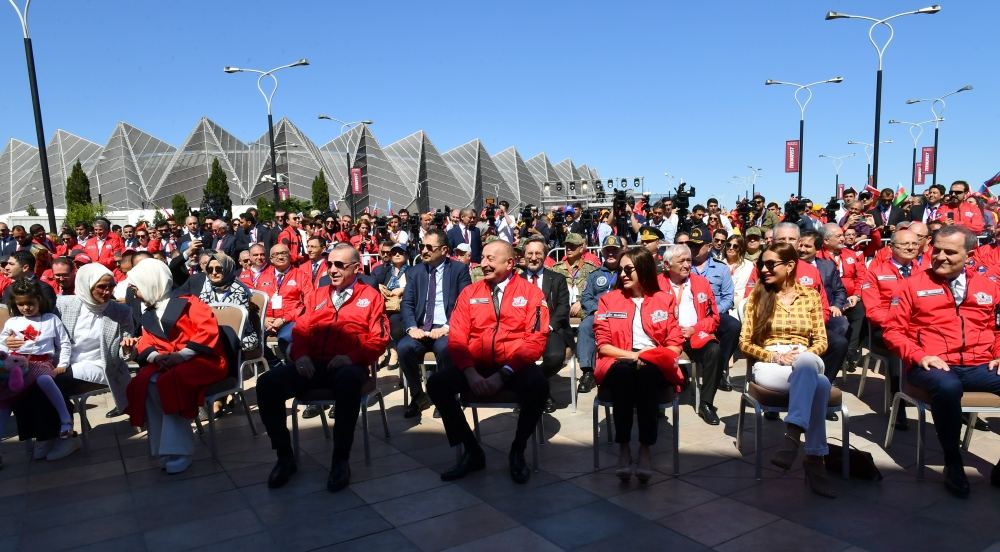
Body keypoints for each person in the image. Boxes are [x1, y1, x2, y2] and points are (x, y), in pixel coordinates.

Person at [258, 244, 389, 492]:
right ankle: (284, 457)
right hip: (314, 364)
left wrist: (351, 357)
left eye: (340, 265)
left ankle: (340, 461)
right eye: (330, 264)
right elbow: (301, 329)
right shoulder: (317, 295)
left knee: (348, 382)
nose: (333, 269)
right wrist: (301, 356)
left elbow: (379, 339)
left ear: (356, 268)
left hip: (349, 365)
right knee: (267, 384)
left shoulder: (370, 297)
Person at [883, 225, 1000, 498]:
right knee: (948, 387)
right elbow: (893, 332)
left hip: (979, 364)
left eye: (950, 252)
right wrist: (920, 355)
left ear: (969, 255)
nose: (941, 257)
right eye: (937, 250)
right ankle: (953, 462)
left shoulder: (989, 286)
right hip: (930, 365)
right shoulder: (911, 285)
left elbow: (996, 329)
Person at [427, 240, 549, 484]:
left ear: (510, 263)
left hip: (513, 366)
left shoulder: (531, 293)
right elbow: (457, 339)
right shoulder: (470, 293)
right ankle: (472, 451)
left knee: (539, 386)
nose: (483, 263)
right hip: (476, 366)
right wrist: (470, 373)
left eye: (490, 259)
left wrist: (504, 374)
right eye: (482, 257)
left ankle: (517, 450)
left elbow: (535, 340)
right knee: (437, 384)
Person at [739, 243, 834, 498]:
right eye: (762, 264)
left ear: (790, 266)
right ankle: (814, 459)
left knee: (806, 365)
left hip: (806, 357)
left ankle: (792, 437)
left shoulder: (810, 296)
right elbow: (745, 343)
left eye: (771, 264)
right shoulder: (757, 297)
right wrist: (776, 356)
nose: (764, 269)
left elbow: (822, 341)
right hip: (771, 363)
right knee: (821, 385)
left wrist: (803, 356)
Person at [124, 259, 228, 475]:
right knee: (143, 381)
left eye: (136, 288)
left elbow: (207, 331)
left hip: (203, 360)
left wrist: (182, 355)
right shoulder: (149, 310)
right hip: (170, 361)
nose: (134, 293)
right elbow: (146, 341)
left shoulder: (190, 303)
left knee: (168, 382)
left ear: (150, 283)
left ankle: (180, 451)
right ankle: (163, 447)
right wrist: (155, 357)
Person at [594, 247, 683, 482]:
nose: (622, 274)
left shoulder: (664, 299)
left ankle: (645, 448)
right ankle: (624, 447)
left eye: (628, 269)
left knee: (647, 374)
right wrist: (634, 356)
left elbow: (675, 343)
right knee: (624, 373)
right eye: (620, 270)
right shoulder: (608, 300)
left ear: (643, 269)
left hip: (654, 360)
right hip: (619, 359)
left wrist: (652, 356)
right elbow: (603, 345)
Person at [398, 229, 471, 418]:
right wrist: (411, 328)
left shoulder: (459, 270)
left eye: (429, 247)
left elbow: (464, 304)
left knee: (446, 349)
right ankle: (418, 396)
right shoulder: (415, 272)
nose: (423, 251)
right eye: (422, 246)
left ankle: (445, 397)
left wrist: (447, 327)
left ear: (444, 250)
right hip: (421, 329)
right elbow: (407, 303)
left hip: (446, 328)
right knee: (404, 348)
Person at [0, 279, 76, 461]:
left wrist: (63, 363)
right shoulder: (12, 322)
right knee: (3, 400)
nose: (26, 308)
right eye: (21, 304)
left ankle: (65, 420)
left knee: (44, 379)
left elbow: (64, 343)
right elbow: (2, 344)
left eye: (30, 303)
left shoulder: (51, 319)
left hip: (42, 362)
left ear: (39, 300)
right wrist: (6, 344)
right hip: (17, 364)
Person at [55, 263, 136, 419]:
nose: (107, 292)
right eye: (101, 287)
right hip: (66, 363)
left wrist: (127, 349)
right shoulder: (63, 305)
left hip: (102, 365)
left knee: (55, 381)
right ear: (87, 285)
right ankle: (60, 427)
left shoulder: (121, 312)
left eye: (111, 286)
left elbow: (124, 352)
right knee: (37, 384)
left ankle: (65, 426)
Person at [659, 244, 723, 425]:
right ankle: (657, 402)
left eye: (689, 260)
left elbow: (714, 318)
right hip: (665, 337)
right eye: (681, 261)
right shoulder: (655, 284)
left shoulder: (701, 283)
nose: (687, 265)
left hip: (694, 335)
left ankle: (706, 403)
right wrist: (671, 330)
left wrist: (696, 328)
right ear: (667, 265)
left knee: (714, 351)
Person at [521, 237, 572, 413]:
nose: (534, 257)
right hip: (523, 331)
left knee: (556, 357)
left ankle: (531, 389)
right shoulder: (516, 281)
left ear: (545, 256)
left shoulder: (557, 279)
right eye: (530, 253)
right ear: (524, 255)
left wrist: (547, 326)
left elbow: (563, 307)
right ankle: (543, 395)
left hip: (551, 329)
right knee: (517, 357)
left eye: (538, 253)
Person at [686, 226, 738, 392]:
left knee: (733, 326)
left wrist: (713, 312)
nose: (693, 248)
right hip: (690, 314)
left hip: (714, 314)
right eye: (691, 245)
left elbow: (728, 298)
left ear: (709, 246)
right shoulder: (684, 266)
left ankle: (719, 369)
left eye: (697, 245)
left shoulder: (721, 268)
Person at [576, 235, 624, 394]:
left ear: (621, 252)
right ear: (602, 252)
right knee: (585, 326)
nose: (610, 253)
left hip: (622, 314)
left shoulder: (626, 273)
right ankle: (588, 372)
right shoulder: (594, 275)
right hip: (598, 313)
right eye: (607, 250)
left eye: (614, 250)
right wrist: (596, 310)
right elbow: (586, 297)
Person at [550, 232, 598, 319]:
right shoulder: (556, 269)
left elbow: (596, 292)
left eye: (572, 246)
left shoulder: (590, 268)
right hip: (561, 310)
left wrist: (581, 302)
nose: (568, 249)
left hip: (584, 310)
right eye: (567, 246)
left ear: (581, 248)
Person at [724, 235, 755, 321]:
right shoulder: (718, 263)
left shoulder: (749, 266)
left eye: (735, 246)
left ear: (740, 249)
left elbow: (751, 287)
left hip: (740, 308)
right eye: (728, 245)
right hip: (722, 306)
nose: (731, 248)